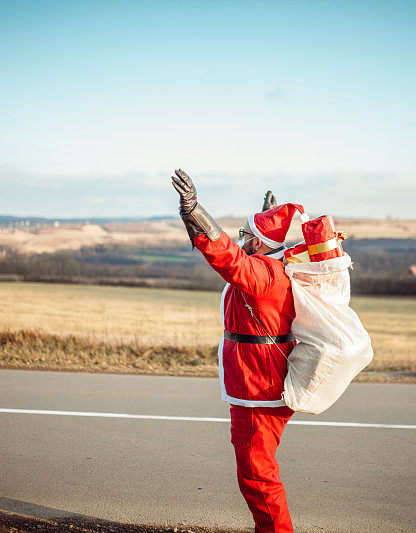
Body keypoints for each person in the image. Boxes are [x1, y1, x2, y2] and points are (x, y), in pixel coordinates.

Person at [171, 169, 304, 533]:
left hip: (258, 390)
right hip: (259, 384)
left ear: (259, 245)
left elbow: (227, 257)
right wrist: (265, 219)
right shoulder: (275, 264)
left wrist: (194, 210)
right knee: (257, 471)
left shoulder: (265, 275)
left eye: (247, 235)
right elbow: (237, 253)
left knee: (257, 475)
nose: (241, 238)